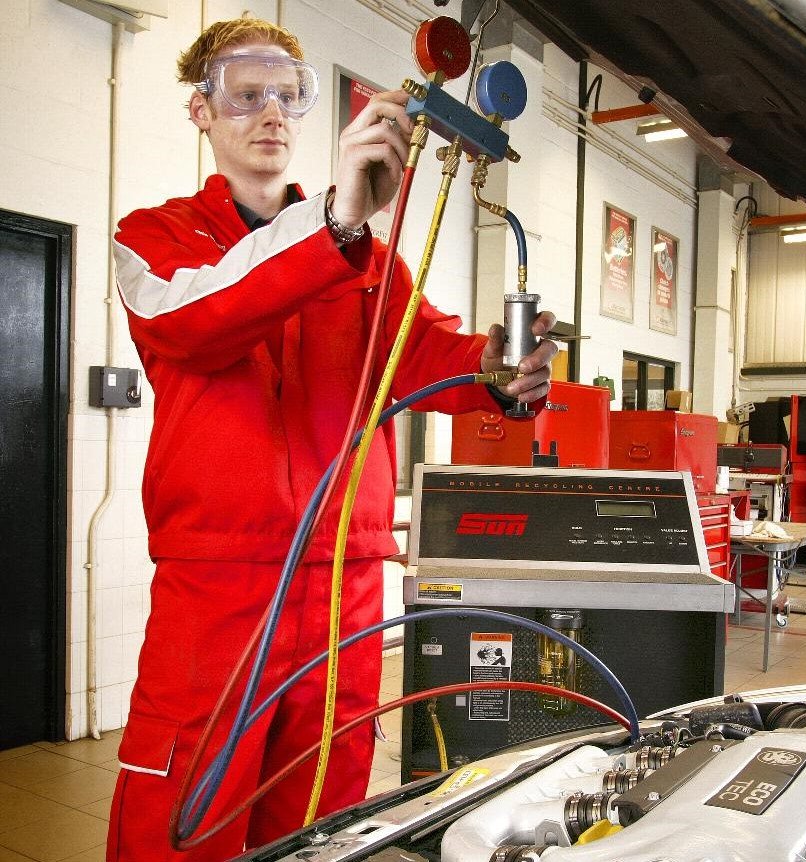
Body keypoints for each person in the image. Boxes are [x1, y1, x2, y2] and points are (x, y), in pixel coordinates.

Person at [107, 15, 557, 861]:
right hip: (222, 585)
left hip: (344, 577)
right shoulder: (157, 239)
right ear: (200, 112)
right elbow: (192, 325)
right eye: (245, 94)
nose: (270, 112)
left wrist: (498, 370)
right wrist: (335, 224)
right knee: (187, 805)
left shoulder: (366, 263)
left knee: (321, 808)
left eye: (289, 94)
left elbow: (428, 354)